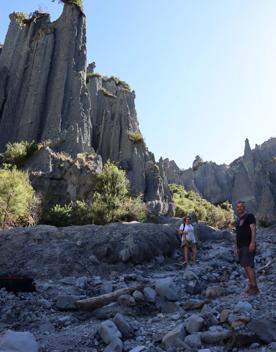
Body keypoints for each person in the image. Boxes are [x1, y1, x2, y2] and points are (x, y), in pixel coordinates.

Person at [235, 200, 259, 295]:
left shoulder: (249, 216)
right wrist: (236, 247)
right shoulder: (238, 219)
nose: (240, 208)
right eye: (238, 206)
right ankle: (251, 285)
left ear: (244, 207)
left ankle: (254, 287)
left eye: (241, 206)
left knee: (249, 266)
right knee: (245, 266)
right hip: (240, 246)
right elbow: (237, 234)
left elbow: (253, 229)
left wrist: (252, 242)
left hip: (247, 244)